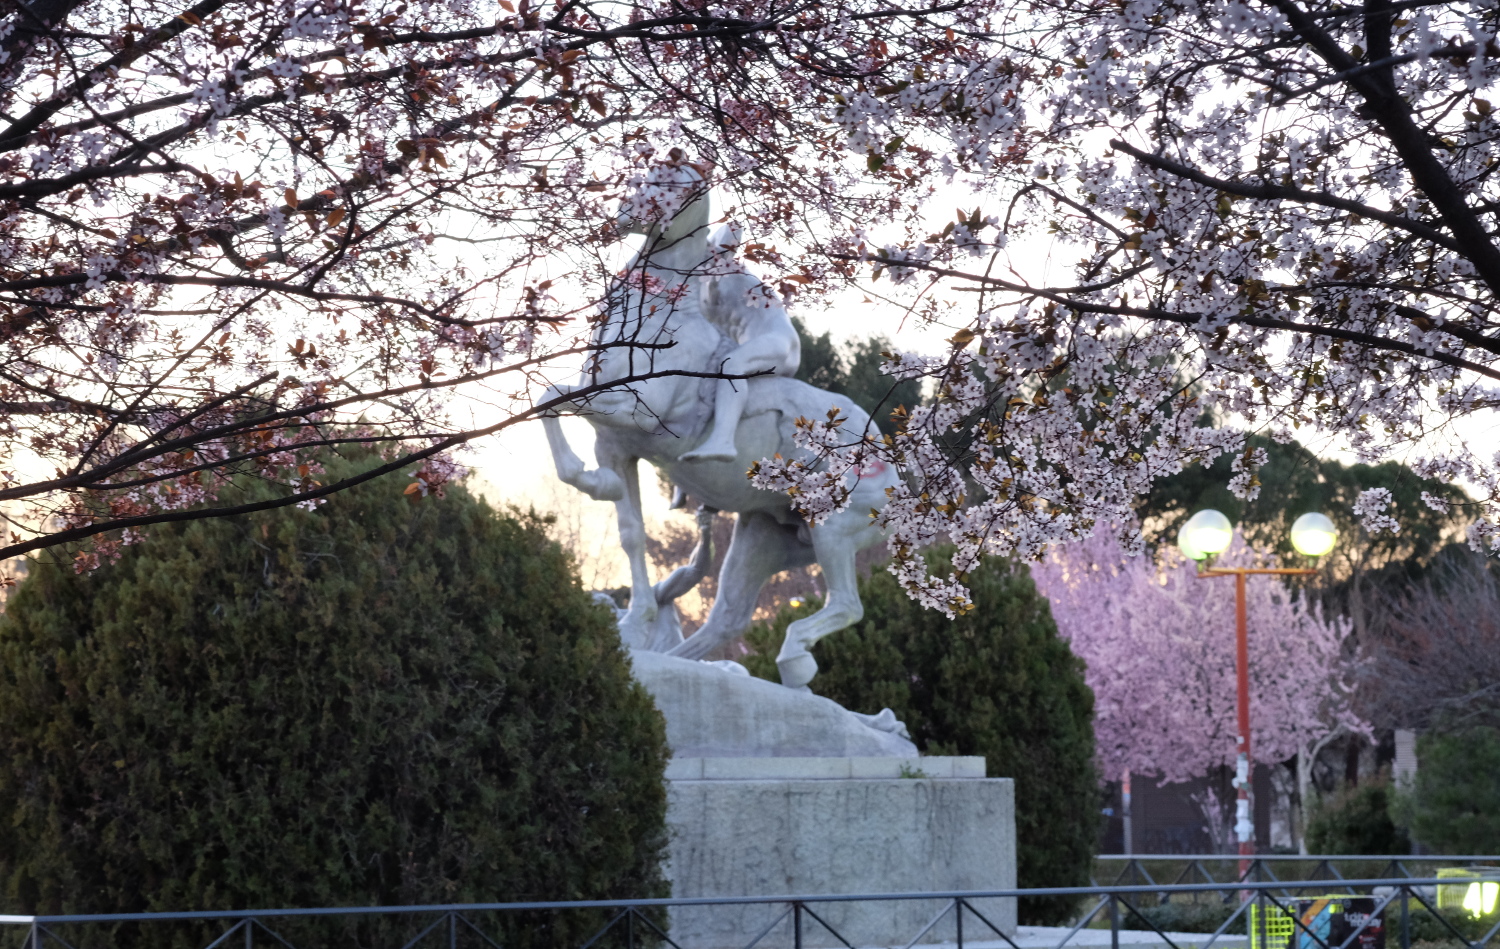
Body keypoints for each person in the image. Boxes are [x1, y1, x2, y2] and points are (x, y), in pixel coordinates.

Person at [679, 221, 801, 462]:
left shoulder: (723, 266)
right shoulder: (700, 283)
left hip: (777, 342)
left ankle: (722, 441)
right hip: (752, 346)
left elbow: (734, 227)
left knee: (731, 364)